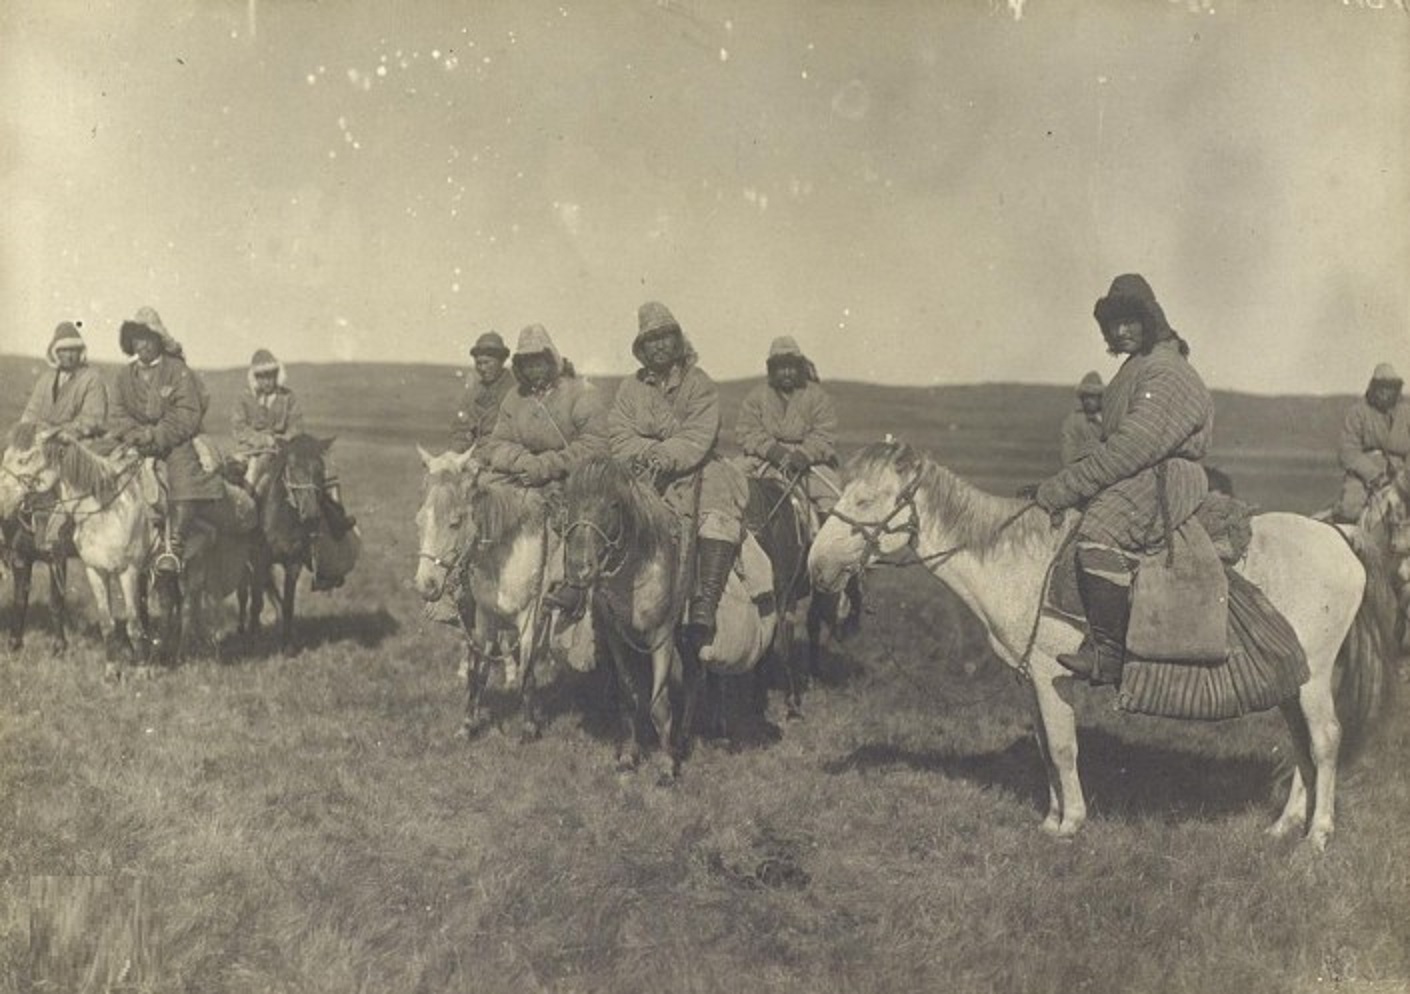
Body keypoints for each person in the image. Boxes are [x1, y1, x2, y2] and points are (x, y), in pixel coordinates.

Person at [1024, 274, 1214, 686]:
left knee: (1099, 530)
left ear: (1152, 320)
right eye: (1113, 323)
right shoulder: (1137, 368)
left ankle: (1110, 654)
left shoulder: (1166, 372)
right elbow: (1114, 445)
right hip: (1144, 469)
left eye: (1130, 320)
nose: (1120, 330)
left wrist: (1060, 490)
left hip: (1166, 475)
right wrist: (1058, 481)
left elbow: (1131, 448)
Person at [608, 301, 749, 651]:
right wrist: (646, 454)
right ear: (641, 349)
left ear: (677, 340)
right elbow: (620, 435)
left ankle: (706, 602)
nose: (658, 345)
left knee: (717, 515)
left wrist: (663, 453)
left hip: (696, 468)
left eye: (664, 337)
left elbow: (698, 435)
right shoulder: (630, 388)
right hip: (643, 471)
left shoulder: (700, 384)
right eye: (650, 340)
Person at [479, 324, 609, 620]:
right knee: (480, 495)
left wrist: (547, 465)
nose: (533, 367)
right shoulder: (515, 398)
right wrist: (523, 462)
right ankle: (477, 579)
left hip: (569, 478)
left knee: (578, 522)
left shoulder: (580, 392)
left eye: (539, 359)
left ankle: (569, 586)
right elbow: (496, 443)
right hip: (524, 475)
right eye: (526, 361)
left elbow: (596, 444)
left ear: (552, 358)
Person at [107, 307, 225, 568]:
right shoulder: (123, 376)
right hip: (135, 440)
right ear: (130, 343)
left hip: (174, 440)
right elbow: (116, 414)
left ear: (160, 340)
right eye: (138, 339)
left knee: (184, 469)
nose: (143, 345)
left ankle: (175, 544)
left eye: (149, 338)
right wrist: (136, 435)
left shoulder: (178, 370)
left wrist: (156, 435)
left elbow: (187, 412)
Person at [17, 321, 109, 551]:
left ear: (81, 352)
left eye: (73, 350)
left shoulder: (92, 378)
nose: (68, 355)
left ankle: (61, 530)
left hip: (77, 444)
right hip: (45, 443)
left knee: (57, 477)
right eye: (63, 350)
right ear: (55, 352)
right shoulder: (46, 379)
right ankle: (20, 529)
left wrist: (61, 431)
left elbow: (94, 418)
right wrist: (30, 432)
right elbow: (30, 413)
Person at [734, 335, 842, 516]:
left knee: (833, 497)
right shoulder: (757, 396)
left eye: (791, 367)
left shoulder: (817, 396)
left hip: (806, 465)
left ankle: (822, 540)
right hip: (764, 461)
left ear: (799, 368)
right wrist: (772, 450)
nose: (786, 373)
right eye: (780, 367)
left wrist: (805, 454)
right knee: (730, 482)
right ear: (772, 369)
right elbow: (747, 430)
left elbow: (825, 433)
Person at [1334, 362, 1410, 523]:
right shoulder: (1358, 412)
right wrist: (1373, 475)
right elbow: (1347, 451)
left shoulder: (1407, 412)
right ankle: (1348, 544)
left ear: (1397, 389)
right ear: (1373, 387)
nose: (1385, 392)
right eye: (1381, 386)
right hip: (1365, 476)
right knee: (1350, 508)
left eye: (1391, 387)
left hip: (1403, 473)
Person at [449, 331, 515, 454]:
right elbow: (460, 429)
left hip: (503, 458)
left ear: (501, 361)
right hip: (472, 458)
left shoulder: (514, 391)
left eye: (487, 362)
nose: (482, 368)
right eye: (478, 363)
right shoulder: (473, 392)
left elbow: (510, 437)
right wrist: (454, 453)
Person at [1059, 371, 1104, 467]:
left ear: (1100, 397)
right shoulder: (1073, 422)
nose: (1088, 400)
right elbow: (1067, 456)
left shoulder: (1109, 419)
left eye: (1092, 396)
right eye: (1085, 396)